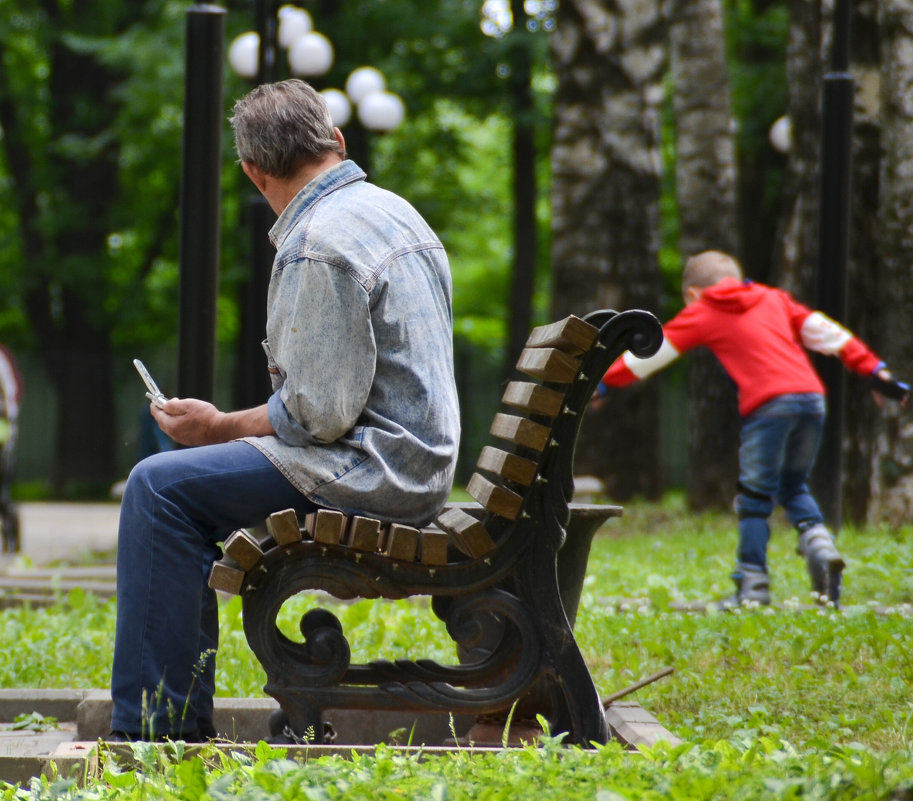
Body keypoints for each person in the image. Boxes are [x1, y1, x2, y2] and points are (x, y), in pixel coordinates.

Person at [109, 79, 460, 741]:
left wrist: (215, 426)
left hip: (374, 468)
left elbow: (315, 416)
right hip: (412, 456)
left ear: (252, 171)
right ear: (337, 140)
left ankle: (159, 725)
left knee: (158, 489)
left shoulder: (317, 242)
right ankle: (160, 715)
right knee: (168, 485)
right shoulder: (393, 211)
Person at [593, 250, 908, 607]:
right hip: (811, 400)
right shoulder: (774, 299)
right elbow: (829, 334)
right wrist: (874, 370)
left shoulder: (703, 310)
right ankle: (820, 545)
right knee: (791, 484)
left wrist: (601, 384)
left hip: (769, 406)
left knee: (755, 498)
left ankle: (753, 587)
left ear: (693, 293)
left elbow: (652, 354)